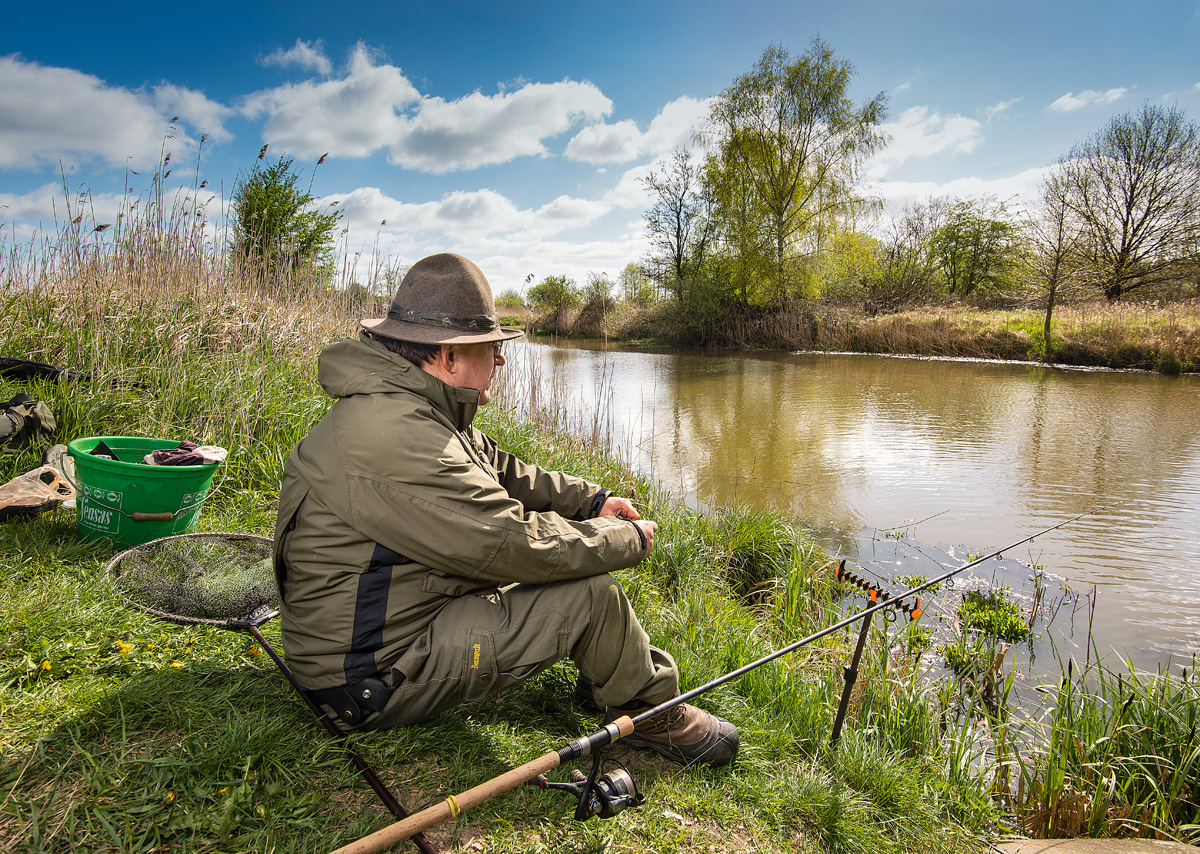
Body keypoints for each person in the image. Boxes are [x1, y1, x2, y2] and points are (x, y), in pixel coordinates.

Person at [272, 252, 738, 767]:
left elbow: (498, 466)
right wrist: (631, 540)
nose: (500, 360)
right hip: (365, 676)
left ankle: (608, 678)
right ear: (448, 355)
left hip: (371, 631)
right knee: (589, 594)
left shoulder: (407, 404)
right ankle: (653, 715)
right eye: (490, 348)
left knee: (573, 574)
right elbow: (514, 544)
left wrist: (594, 501)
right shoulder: (400, 437)